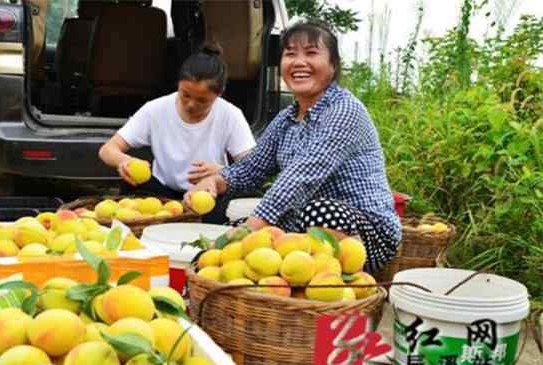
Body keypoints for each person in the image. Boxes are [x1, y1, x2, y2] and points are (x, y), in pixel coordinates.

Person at [184, 21, 401, 273]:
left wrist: (248, 231)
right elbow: (252, 168)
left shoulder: (345, 111)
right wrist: (216, 181)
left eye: (311, 53)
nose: (299, 62)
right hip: (304, 228)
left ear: (332, 65)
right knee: (238, 227)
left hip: (366, 235)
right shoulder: (287, 118)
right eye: (290, 53)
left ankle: (332, 285)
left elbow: (300, 178)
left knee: (318, 212)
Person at [99, 44, 256, 224]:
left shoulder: (230, 115)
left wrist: (222, 172)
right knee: (131, 186)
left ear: (219, 94)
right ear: (178, 85)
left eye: (202, 100)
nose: (190, 104)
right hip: (161, 194)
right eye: (185, 95)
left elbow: (253, 167)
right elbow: (107, 150)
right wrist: (124, 161)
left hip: (206, 195)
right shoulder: (155, 109)